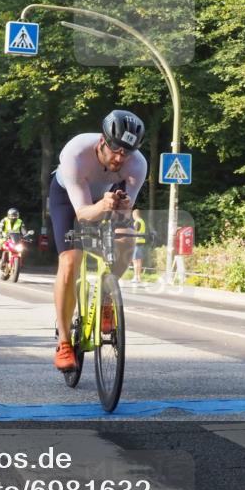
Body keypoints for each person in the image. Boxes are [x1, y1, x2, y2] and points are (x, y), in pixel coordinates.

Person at [50, 110, 147, 371]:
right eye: (115, 150)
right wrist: (102, 205)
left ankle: (106, 296)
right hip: (69, 200)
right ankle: (64, 341)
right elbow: (82, 214)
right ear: (102, 141)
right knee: (71, 261)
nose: (120, 158)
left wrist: (122, 208)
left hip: (106, 198)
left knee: (127, 239)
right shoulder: (76, 154)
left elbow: (124, 215)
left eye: (127, 153)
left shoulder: (137, 164)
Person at [131, 208, 147, 284]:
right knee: (139, 260)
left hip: (136, 243)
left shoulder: (137, 222)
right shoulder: (142, 221)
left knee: (135, 261)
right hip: (142, 242)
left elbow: (134, 233)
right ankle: (139, 277)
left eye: (133, 215)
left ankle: (135, 277)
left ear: (134, 215)